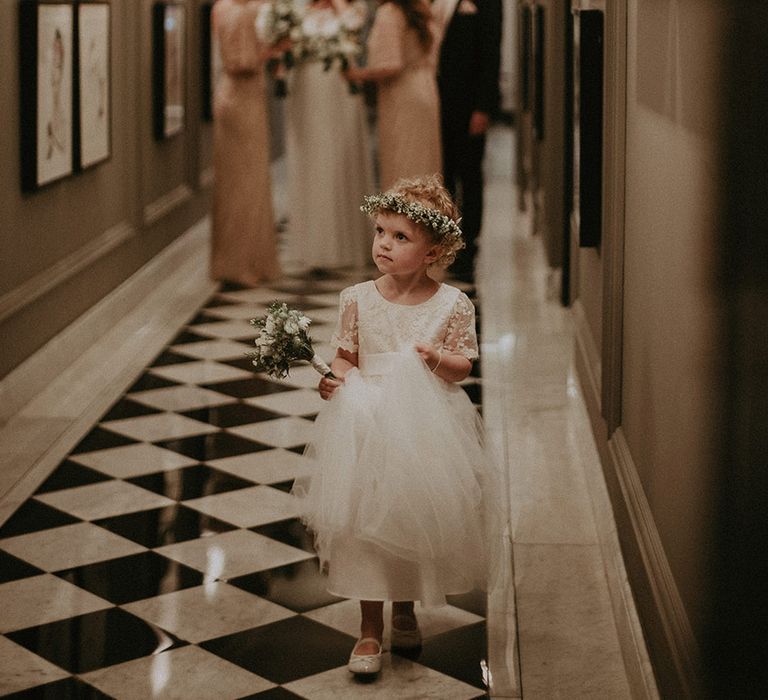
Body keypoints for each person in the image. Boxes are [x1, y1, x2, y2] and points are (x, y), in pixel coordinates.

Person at [292, 175, 494, 676]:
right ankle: (368, 629)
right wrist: (334, 382)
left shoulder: (453, 305)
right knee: (364, 524)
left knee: (408, 517)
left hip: (424, 427)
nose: (384, 243)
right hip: (364, 422)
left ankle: (405, 610)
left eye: (400, 237)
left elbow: (464, 365)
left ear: (434, 250)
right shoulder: (357, 298)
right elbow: (345, 358)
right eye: (381, 231)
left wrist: (436, 359)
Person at [284, 0, 374, 273]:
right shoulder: (297, 9)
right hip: (305, 88)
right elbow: (285, 45)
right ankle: (311, 245)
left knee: (337, 158)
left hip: (339, 87)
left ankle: (345, 243)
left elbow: (354, 30)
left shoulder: (354, 8)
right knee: (310, 160)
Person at [211, 0, 280, 287]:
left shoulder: (225, 7)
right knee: (242, 184)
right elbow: (240, 62)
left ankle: (249, 260)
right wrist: (273, 52)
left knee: (246, 182)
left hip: (243, 97)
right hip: (241, 99)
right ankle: (238, 264)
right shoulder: (237, 11)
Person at [435, 0, 502, 281]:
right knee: (441, 175)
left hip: (468, 104)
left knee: (469, 175)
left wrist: (483, 108)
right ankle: (440, 240)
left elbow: (490, 53)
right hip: (433, 102)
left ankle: (467, 248)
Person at [345, 0, 442, 190]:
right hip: (426, 88)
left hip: (402, 95)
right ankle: (425, 217)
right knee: (425, 165)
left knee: (403, 164)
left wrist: (357, 75)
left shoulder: (389, 12)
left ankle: (405, 218)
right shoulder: (420, 9)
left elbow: (391, 65)